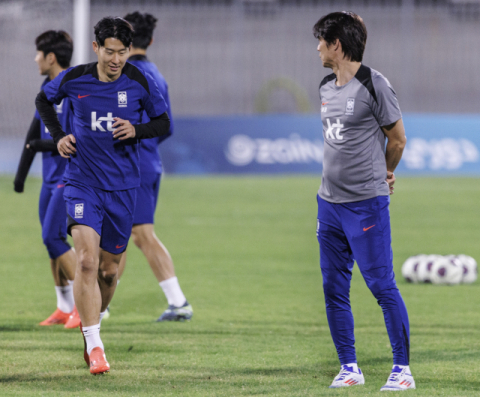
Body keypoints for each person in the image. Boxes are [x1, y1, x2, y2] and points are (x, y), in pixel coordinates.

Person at [35, 17, 170, 375]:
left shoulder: (139, 79)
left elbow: (164, 122)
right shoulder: (75, 78)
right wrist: (59, 134)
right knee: (86, 262)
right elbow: (43, 100)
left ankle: (90, 329)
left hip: (123, 189)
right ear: (96, 48)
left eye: (122, 53)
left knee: (108, 273)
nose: (115, 59)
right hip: (81, 182)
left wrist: (137, 129)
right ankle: (96, 347)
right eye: (109, 51)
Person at [312, 12, 414, 391]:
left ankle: (402, 370)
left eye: (321, 40)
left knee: (380, 285)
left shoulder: (375, 84)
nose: (317, 47)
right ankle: (349, 367)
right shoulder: (325, 87)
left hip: (365, 205)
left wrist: (384, 173)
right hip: (328, 204)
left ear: (336, 44)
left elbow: (398, 139)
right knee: (333, 287)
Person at [114, 11, 192, 322]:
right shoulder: (155, 74)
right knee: (123, 233)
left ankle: (178, 302)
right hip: (146, 163)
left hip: (133, 167)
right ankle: (100, 305)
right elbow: (166, 126)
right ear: (152, 40)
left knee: (139, 234)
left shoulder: (128, 76)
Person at [14, 30, 80, 329]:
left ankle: (88, 302)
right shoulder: (47, 87)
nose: (35, 59)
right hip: (49, 177)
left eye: (39, 54)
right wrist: (21, 174)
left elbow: (74, 138)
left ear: (50, 57)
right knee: (52, 242)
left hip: (68, 176)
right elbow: (34, 130)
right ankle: (64, 306)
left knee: (53, 237)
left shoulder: (74, 88)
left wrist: (39, 146)